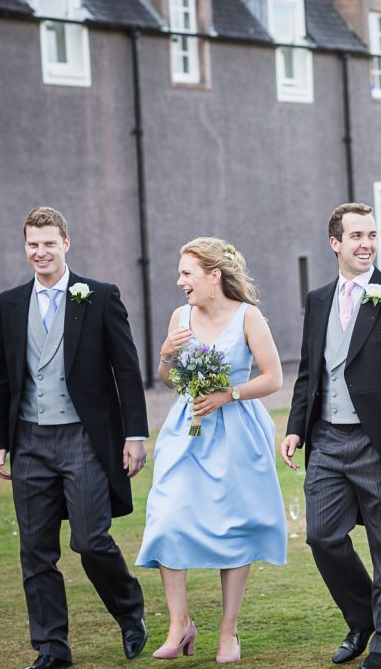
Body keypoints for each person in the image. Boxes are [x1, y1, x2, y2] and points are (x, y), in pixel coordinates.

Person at [0, 206, 149, 669]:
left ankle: (129, 611)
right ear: (26, 247)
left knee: (91, 540)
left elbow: (126, 370)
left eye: (49, 243)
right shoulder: (9, 303)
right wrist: (0, 439)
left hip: (84, 438)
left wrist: (135, 434)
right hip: (30, 441)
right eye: (33, 245)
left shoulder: (98, 296)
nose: (41, 252)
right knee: (35, 550)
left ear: (66, 243)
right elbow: (1, 378)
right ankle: (52, 647)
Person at [281, 203, 381, 669]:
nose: (367, 244)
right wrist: (295, 429)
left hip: (378, 441)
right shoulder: (319, 299)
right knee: (322, 536)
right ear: (335, 243)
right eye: (357, 236)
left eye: (372, 234)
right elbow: (310, 371)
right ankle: (362, 617)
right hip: (326, 440)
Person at [136, 237, 286, 663]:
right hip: (187, 431)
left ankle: (228, 632)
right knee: (166, 520)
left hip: (236, 431)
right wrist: (165, 357)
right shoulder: (179, 316)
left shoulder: (248, 317)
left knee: (233, 528)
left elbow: (273, 378)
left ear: (213, 276)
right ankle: (179, 624)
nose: (179, 281)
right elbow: (170, 380)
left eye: (186, 273)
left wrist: (229, 394)